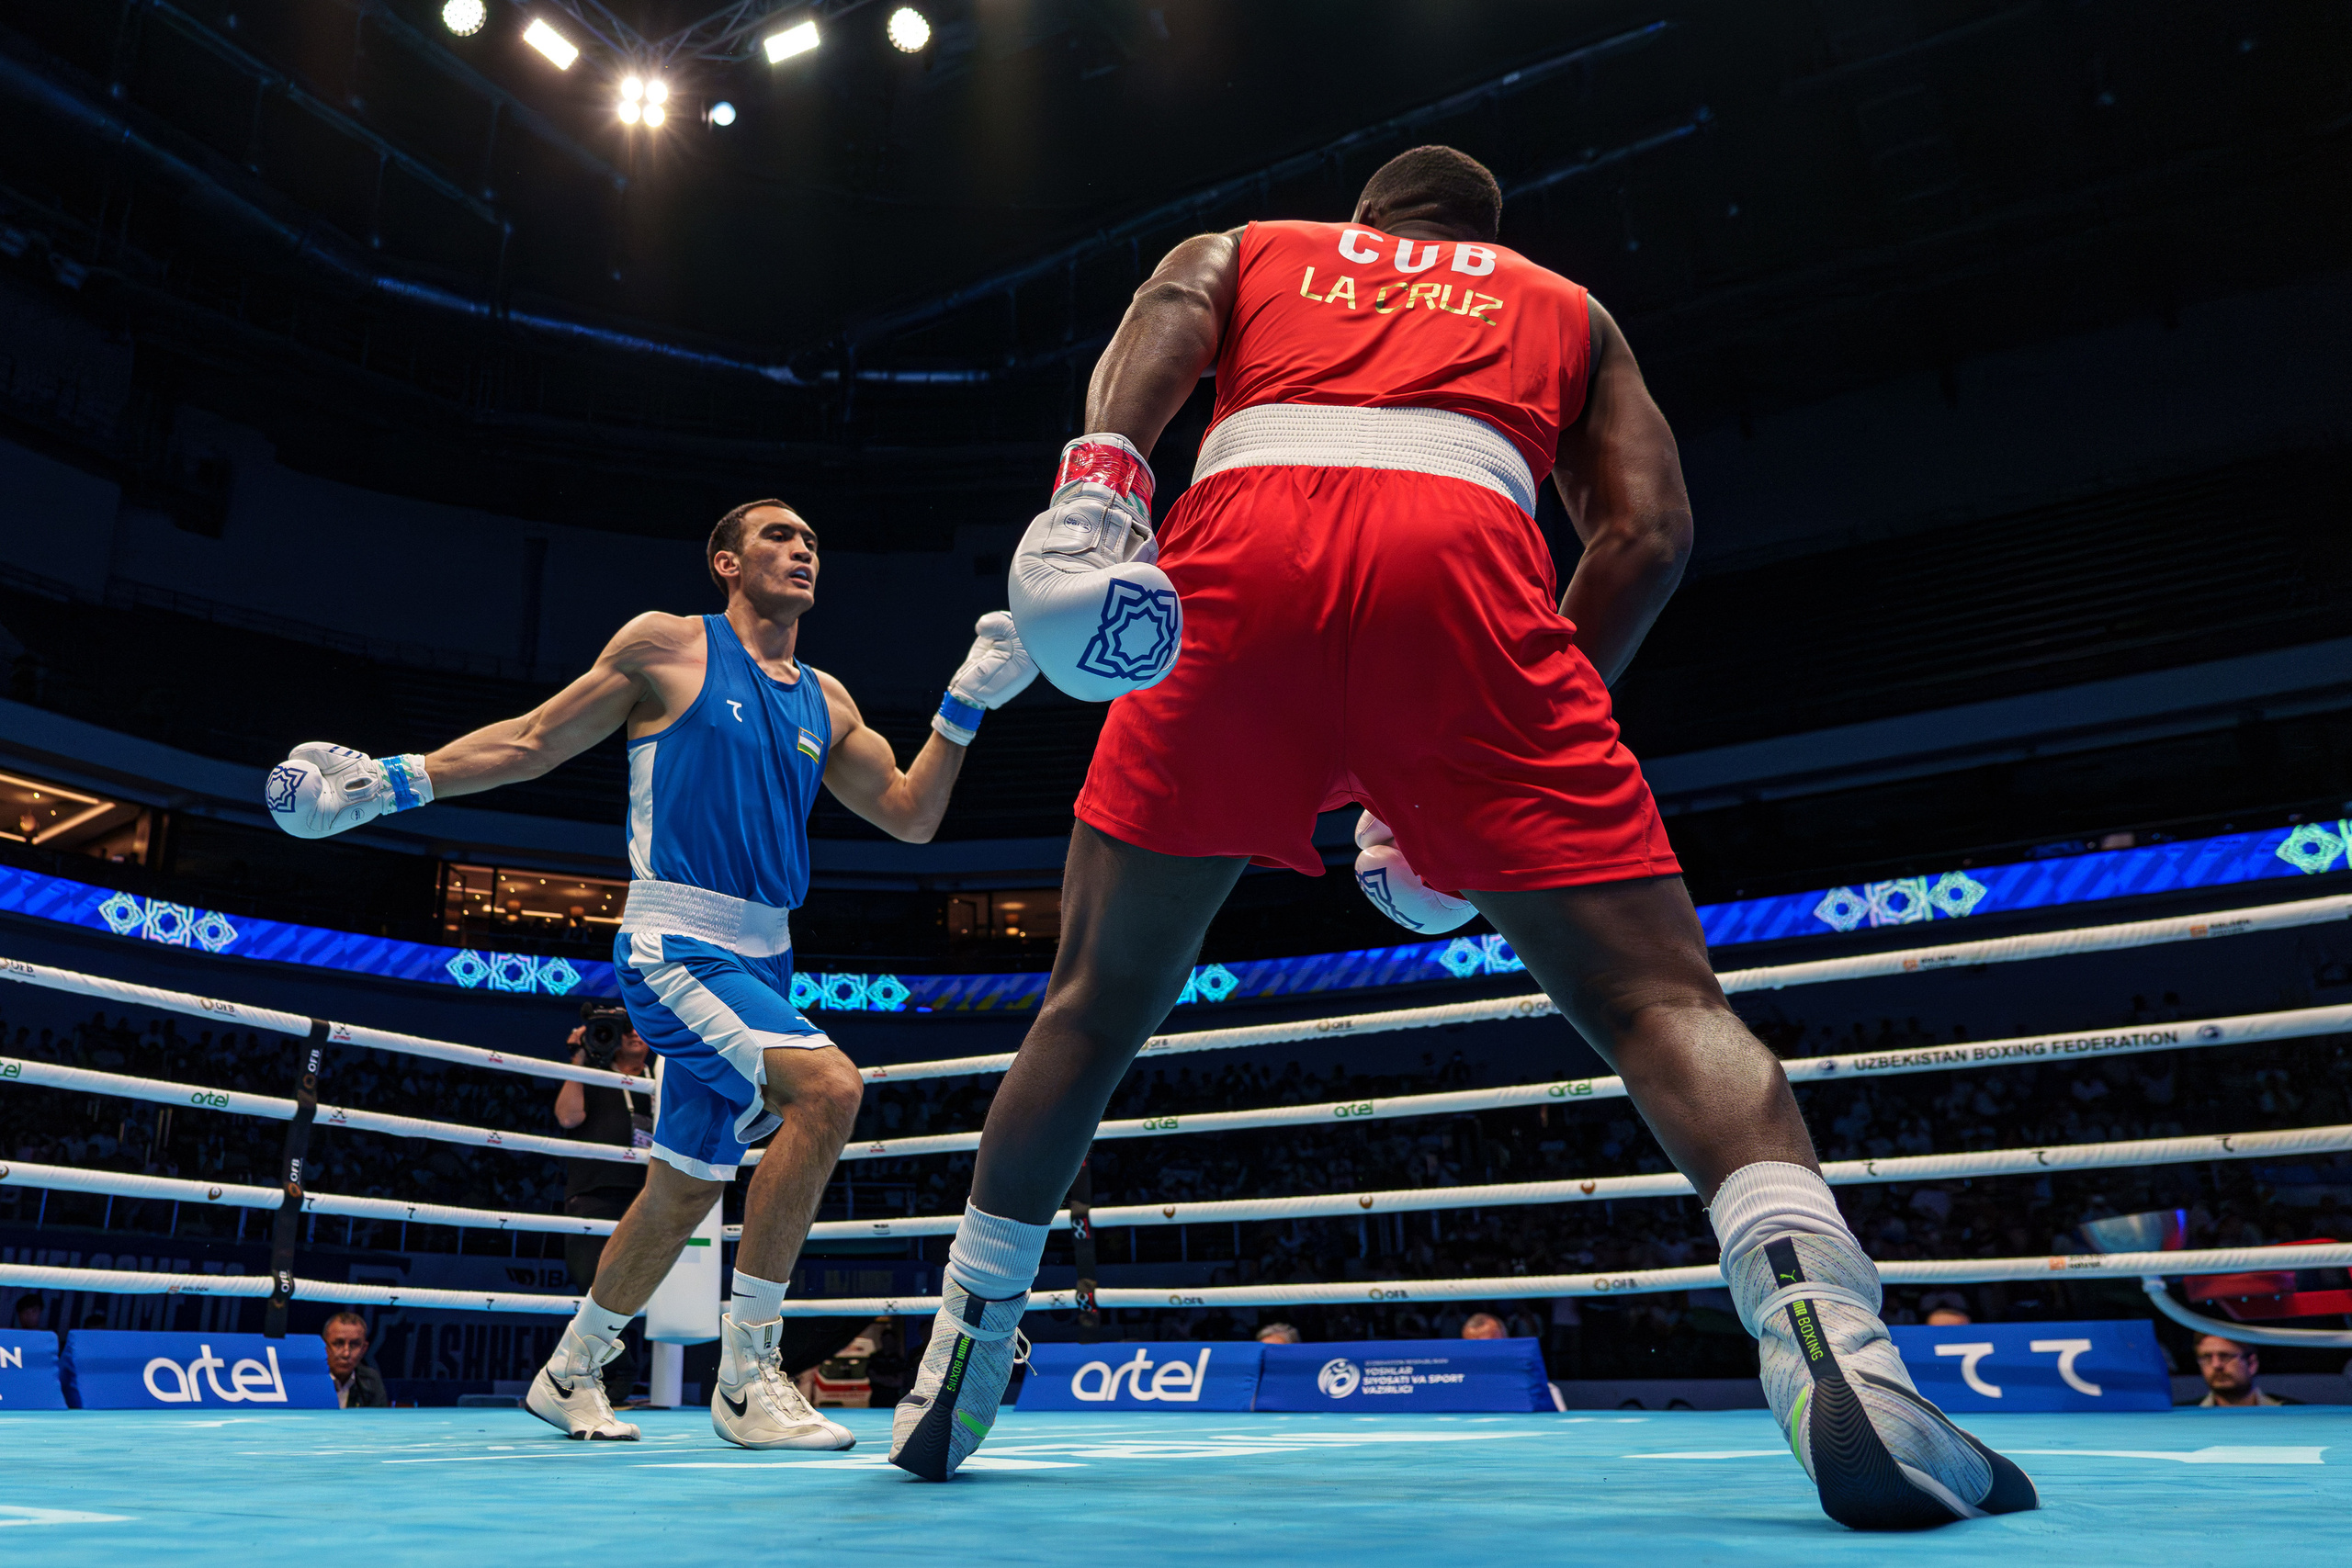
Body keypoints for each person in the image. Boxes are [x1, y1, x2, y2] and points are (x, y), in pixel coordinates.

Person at [891, 146, 2040, 1531]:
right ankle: (1832, 1346)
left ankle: (961, 1347)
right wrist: (1513, 711)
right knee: (1661, 997)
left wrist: (1100, 481)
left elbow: (1172, 295)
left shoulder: (1259, 245)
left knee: (1092, 1004)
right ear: (1485, 235)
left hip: (1234, 562)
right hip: (1468, 570)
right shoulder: (1565, 303)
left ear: (1367, 221)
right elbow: (1651, 534)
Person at [265, 500, 1035, 1450]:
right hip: (675, 944)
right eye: (779, 538)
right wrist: (391, 781)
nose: (802, 551)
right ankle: (750, 1376)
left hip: (766, 955)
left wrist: (964, 704)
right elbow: (533, 740)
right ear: (725, 561)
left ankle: (570, 1369)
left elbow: (912, 815)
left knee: (682, 1188)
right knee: (829, 1092)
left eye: (812, 541)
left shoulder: (827, 699)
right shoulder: (665, 648)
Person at [552, 1008, 655, 1405]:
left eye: (638, 1026)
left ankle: (613, 1384)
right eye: (622, 1028)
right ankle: (597, 1377)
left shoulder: (660, 1078)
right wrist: (579, 1056)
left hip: (645, 1199)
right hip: (592, 1195)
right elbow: (568, 1116)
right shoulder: (594, 1074)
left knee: (630, 1290)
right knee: (592, 1287)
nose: (631, 1033)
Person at [2194, 1335, 2294, 1406]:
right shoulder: (2186, 1415)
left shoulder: (2291, 1413)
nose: (2216, 1365)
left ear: (2252, 1363)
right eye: (2207, 1357)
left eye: (2225, 1356)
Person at [322, 1310, 389, 1408]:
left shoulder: (371, 1381)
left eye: (354, 1345)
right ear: (323, 1345)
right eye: (338, 1344)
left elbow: (379, 1422)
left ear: (364, 1349)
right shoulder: (307, 1380)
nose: (346, 1353)